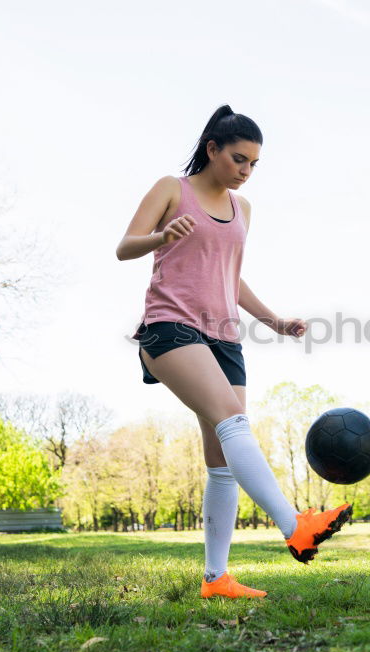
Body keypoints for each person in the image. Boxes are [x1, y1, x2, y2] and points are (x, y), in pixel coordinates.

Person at [115, 104, 352, 599]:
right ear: (212, 150)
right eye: (239, 160)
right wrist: (164, 235)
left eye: (253, 165)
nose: (246, 172)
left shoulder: (243, 210)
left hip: (224, 338)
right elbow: (125, 246)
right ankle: (295, 526)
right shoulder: (171, 189)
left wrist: (274, 321)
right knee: (233, 423)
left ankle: (215, 578)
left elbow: (228, 274)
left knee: (221, 458)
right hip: (170, 327)